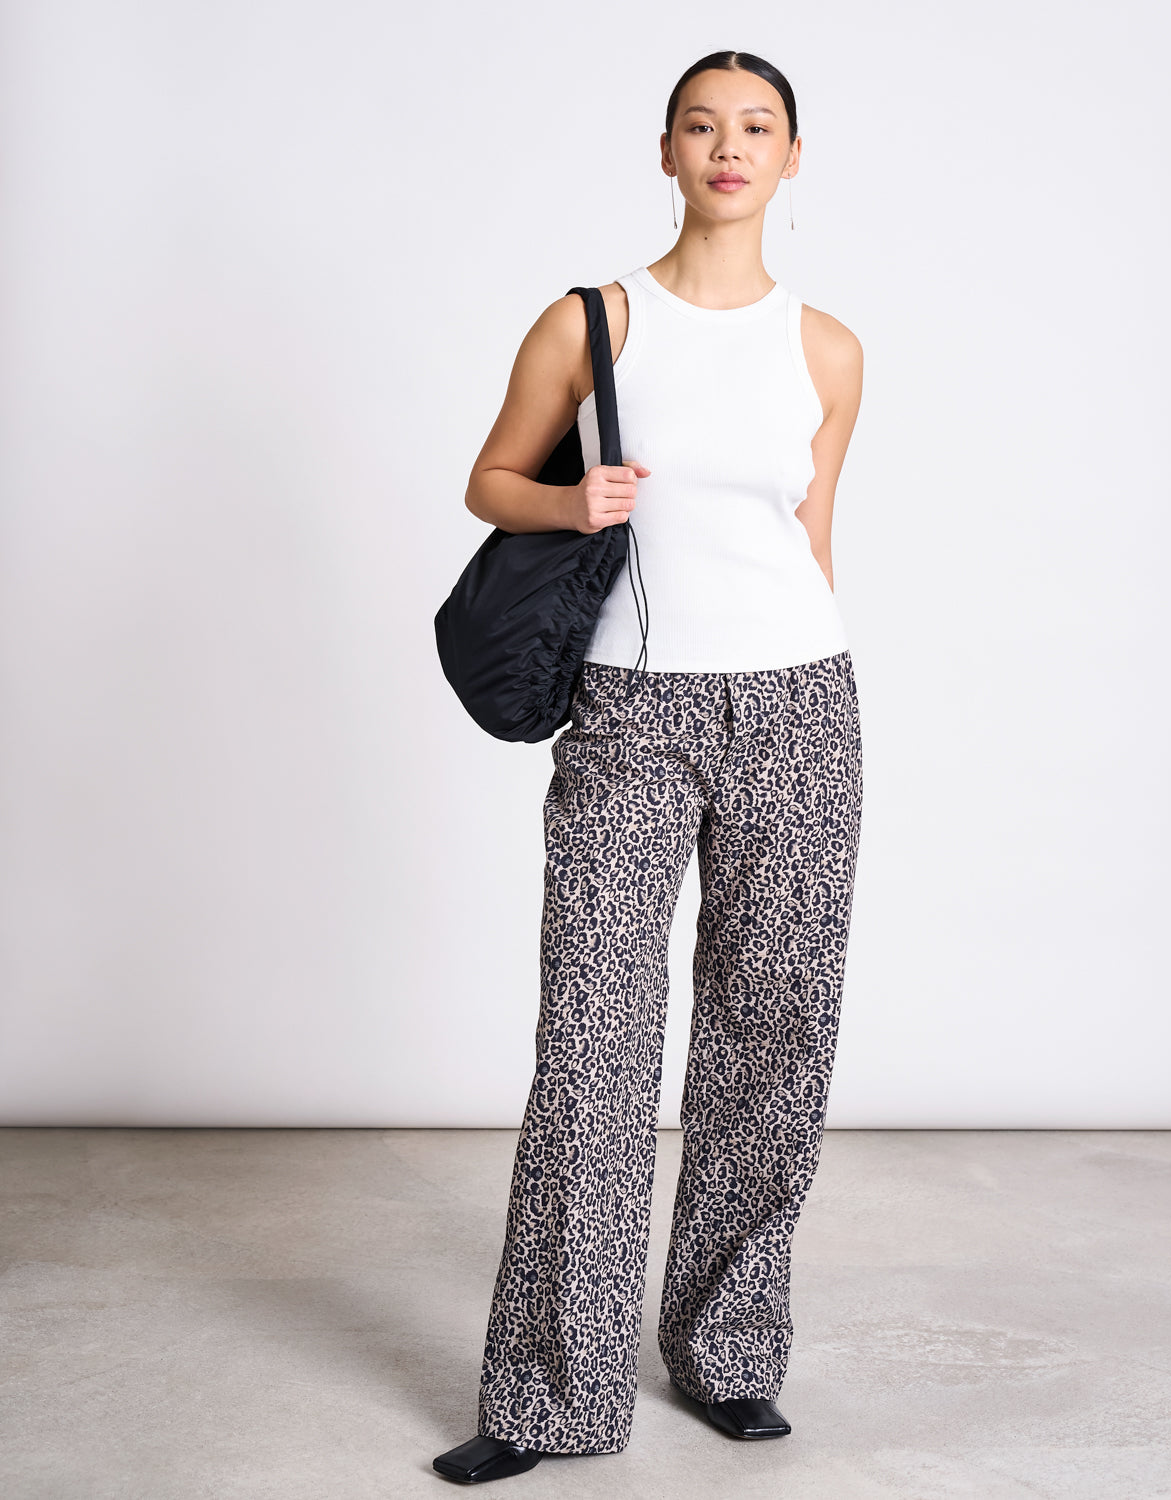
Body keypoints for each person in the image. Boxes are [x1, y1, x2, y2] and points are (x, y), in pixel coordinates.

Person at [433, 48, 866, 1486]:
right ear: (666, 150)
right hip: (629, 710)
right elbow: (493, 479)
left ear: (792, 158)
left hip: (800, 706)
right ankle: (550, 1391)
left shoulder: (827, 349)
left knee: (774, 1039)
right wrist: (572, 495)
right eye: (703, 125)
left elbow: (812, 541)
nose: (729, 148)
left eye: (757, 129)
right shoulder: (594, 322)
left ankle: (729, 1354)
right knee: (595, 1047)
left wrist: (810, 668)